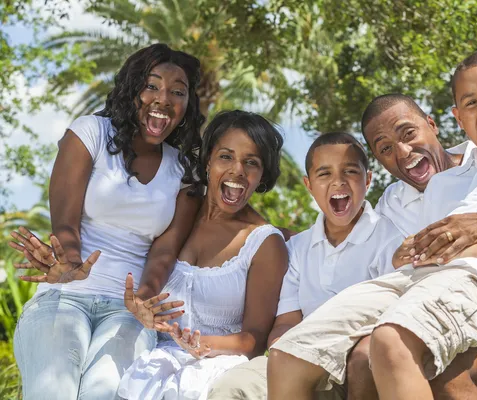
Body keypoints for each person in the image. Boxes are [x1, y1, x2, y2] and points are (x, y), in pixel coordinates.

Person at [267, 52, 477, 400]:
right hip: (419, 283)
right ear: (458, 116)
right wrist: (408, 253)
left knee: (391, 343)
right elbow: (411, 252)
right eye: (471, 103)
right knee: (288, 355)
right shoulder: (438, 186)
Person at [8, 43, 205, 400]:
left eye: (178, 91)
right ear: (132, 89)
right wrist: (67, 263)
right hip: (64, 296)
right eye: (152, 85)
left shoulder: (184, 171)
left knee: (103, 394)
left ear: (187, 106)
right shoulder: (90, 134)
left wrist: (143, 302)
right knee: (55, 391)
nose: (163, 98)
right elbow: (65, 224)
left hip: (127, 313)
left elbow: (163, 253)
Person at [207, 132, 404, 400]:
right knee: (231, 387)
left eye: (350, 171)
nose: (338, 181)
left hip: (358, 364)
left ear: (367, 180)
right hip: (302, 358)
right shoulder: (298, 248)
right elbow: (287, 322)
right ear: (308, 185)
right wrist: (283, 350)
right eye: (324, 174)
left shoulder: (390, 240)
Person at [116, 110, 288, 400]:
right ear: (208, 159)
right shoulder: (185, 205)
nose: (237, 170)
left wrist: (200, 344)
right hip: (152, 363)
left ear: (261, 176)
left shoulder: (264, 243)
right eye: (226, 156)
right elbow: (160, 257)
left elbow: (254, 340)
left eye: (251, 162)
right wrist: (142, 301)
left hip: (217, 372)